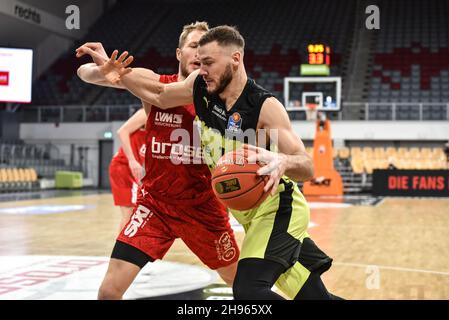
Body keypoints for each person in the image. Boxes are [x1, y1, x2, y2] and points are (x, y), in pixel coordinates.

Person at [98, 25, 342, 300]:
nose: (202, 69)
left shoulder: (263, 106)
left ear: (235, 59)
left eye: (210, 63)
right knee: (313, 297)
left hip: (278, 209)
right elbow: (159, 95)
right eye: (200, 63)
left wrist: (283, 160)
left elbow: (307, 167)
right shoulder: (200, 87)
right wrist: (119, 74)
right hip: (249, 215)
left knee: (249, 291)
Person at [76, 22, 239, 300]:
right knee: (108, 291)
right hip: (155, 206)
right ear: (178, 53)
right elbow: (85, 74)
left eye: (204, 48)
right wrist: (101, 69)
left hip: (202, 208)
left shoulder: (218, 97)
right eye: (192, 46)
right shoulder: (154, 83)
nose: (198, 53)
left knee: (245, 286)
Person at [109, 107, 147, 234]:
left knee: (136, 213)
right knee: (129, 213)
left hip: (134, 170)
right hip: (123, 166)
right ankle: (121, 252)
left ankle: (127, 249)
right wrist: (131, 160)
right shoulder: (146, 113)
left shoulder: (163, 122)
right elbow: (122, 131)